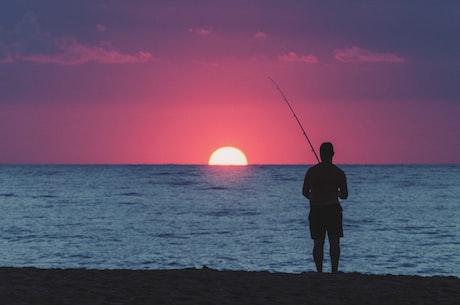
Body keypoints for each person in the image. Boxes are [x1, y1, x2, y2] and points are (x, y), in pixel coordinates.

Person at [302, 142, 348, 273]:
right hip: (333, 210)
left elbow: (305, 192)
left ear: (320, 154)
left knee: (318, 243)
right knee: (334, 243)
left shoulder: (311, 172)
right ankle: (334, 271)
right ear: (333, 154)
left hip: (317, 210)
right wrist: (335, 193)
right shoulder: (339, 173)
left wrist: (315, 197)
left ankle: (319, 272)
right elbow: (345, 195)